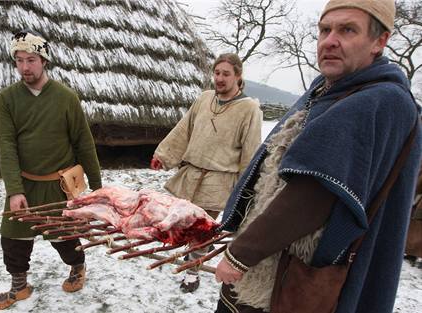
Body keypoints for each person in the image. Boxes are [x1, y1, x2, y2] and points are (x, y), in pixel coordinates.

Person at [214, 0, 422, 312]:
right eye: (325, 30)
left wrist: (241, 253)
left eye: (348, 30)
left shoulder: (381, 101)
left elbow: (314, 192)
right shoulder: (325, 90)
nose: (330, 41)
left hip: (295, 274)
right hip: (269, 259)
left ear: (380, 41)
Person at [0, 29, 102, 311]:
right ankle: (19, 286)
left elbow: (84, 144)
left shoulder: (66, 97)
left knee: (64, 237)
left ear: (44, 60)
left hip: (58, 185)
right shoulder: (7, 99)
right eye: (19, 61)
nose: (25, 67)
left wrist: (99, 189)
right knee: (13, 238)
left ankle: (77, 268)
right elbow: (6, 146)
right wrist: (14, 190)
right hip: (24, 183)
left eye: (31, 60)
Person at [151, 53, 262, 292]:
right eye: (217, 73)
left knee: (201, 229)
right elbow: (184, 129)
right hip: (190, 174)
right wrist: (164, 156)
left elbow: (251, 150)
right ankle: (197, 251)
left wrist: (244, 190)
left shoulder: (249, 109)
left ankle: (192, 273)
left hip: (218, 180)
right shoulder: (204, 99)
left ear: (238, 76)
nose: (220, 78)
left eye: (226, 74)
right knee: (183, 222)